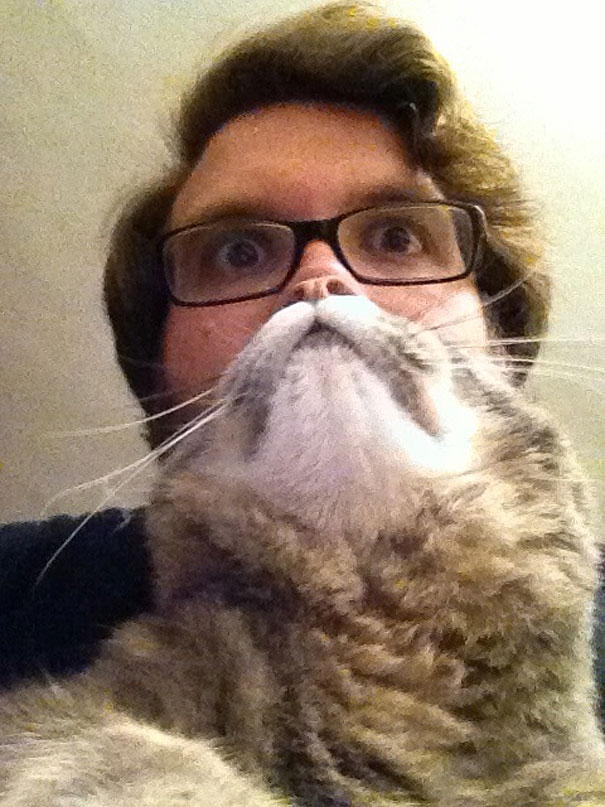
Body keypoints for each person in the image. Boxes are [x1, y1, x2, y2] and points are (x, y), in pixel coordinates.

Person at [2, 1, 601, 710]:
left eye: (397, 238)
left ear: (501, 346)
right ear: (159, 384)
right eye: (238, 252)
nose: (321, 279)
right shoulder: (24, 588)